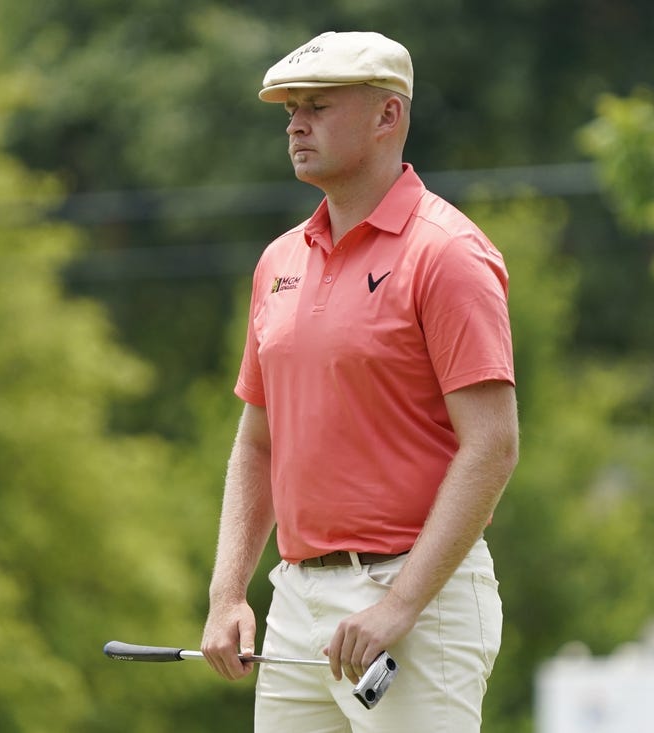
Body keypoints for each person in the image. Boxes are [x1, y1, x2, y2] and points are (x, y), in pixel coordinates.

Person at [200, 30, 519, 732]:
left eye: (317, 105)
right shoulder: (278, 260)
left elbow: (492, 446)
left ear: (387, 117)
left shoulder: (449, 255)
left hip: (417, 603)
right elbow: (257, 445)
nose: (295, 123)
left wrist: (398, 603)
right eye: (290, 109)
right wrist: (229, 592)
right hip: (297, 601)